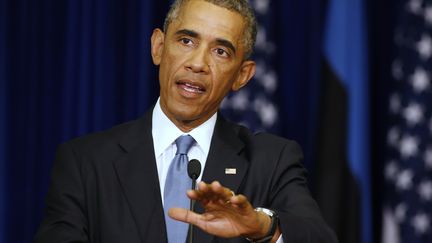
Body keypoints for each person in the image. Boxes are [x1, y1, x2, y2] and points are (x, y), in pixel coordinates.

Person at [34, 0, 338, 242]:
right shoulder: (85, 161)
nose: (197, 63)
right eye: (186, 41)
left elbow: (318, 236)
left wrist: (263, 228)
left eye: (220, 51)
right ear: (158, 47)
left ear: (242, 76)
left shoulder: (272, 161)